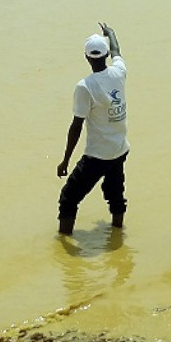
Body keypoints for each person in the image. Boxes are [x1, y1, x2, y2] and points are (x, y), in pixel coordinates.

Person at [55, 23, 128, 236]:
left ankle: (64, 241)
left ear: (87, 57)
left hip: (98, 156)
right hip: (120, 149)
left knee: (68, 198)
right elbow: (117, 50)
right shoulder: (119, 72)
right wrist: (111, 33)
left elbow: (76, 126)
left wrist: (65, 160)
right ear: (105, 55)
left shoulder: (85, 87)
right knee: (116, 194)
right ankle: (117, 232)